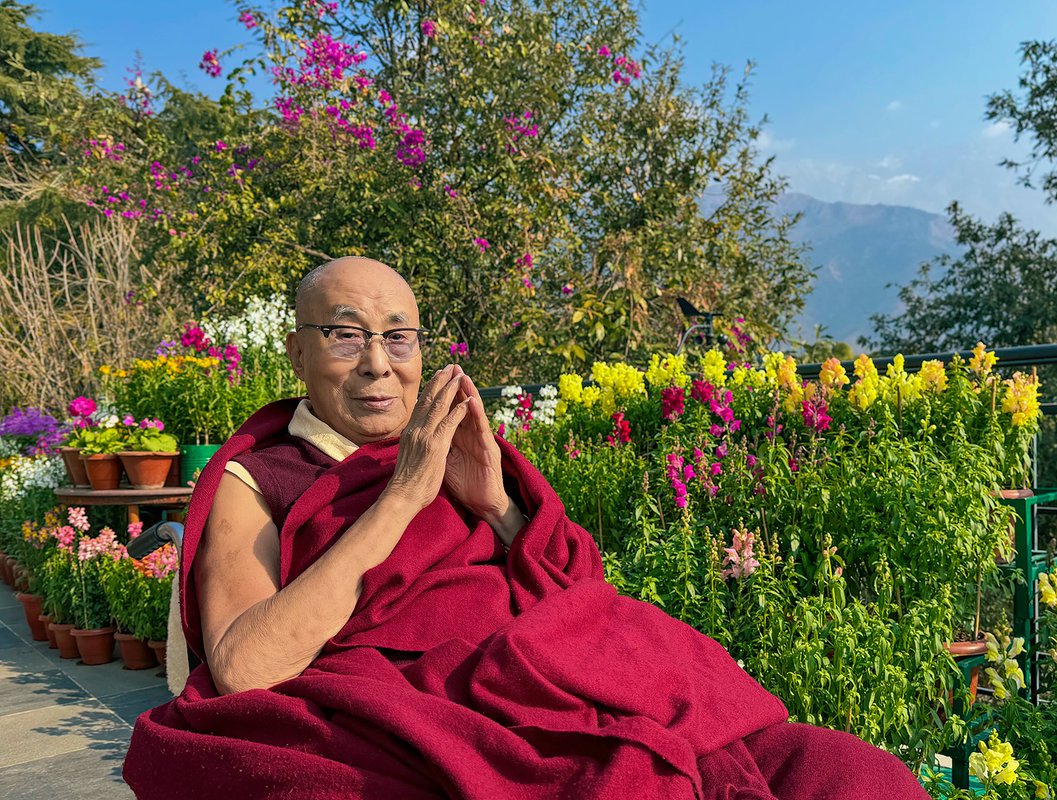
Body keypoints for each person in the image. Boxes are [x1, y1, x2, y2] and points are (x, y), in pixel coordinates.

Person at [123, 257, 929, 799]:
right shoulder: (257, 477)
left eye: (397, 337)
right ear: (299, 354)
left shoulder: (452, 446)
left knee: (855, 775)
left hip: (564, 688)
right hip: (440, 719)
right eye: (344, 335)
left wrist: (495, 508)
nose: (378, 363)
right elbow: (246, 668)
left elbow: (583, 600)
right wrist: (400, 499)